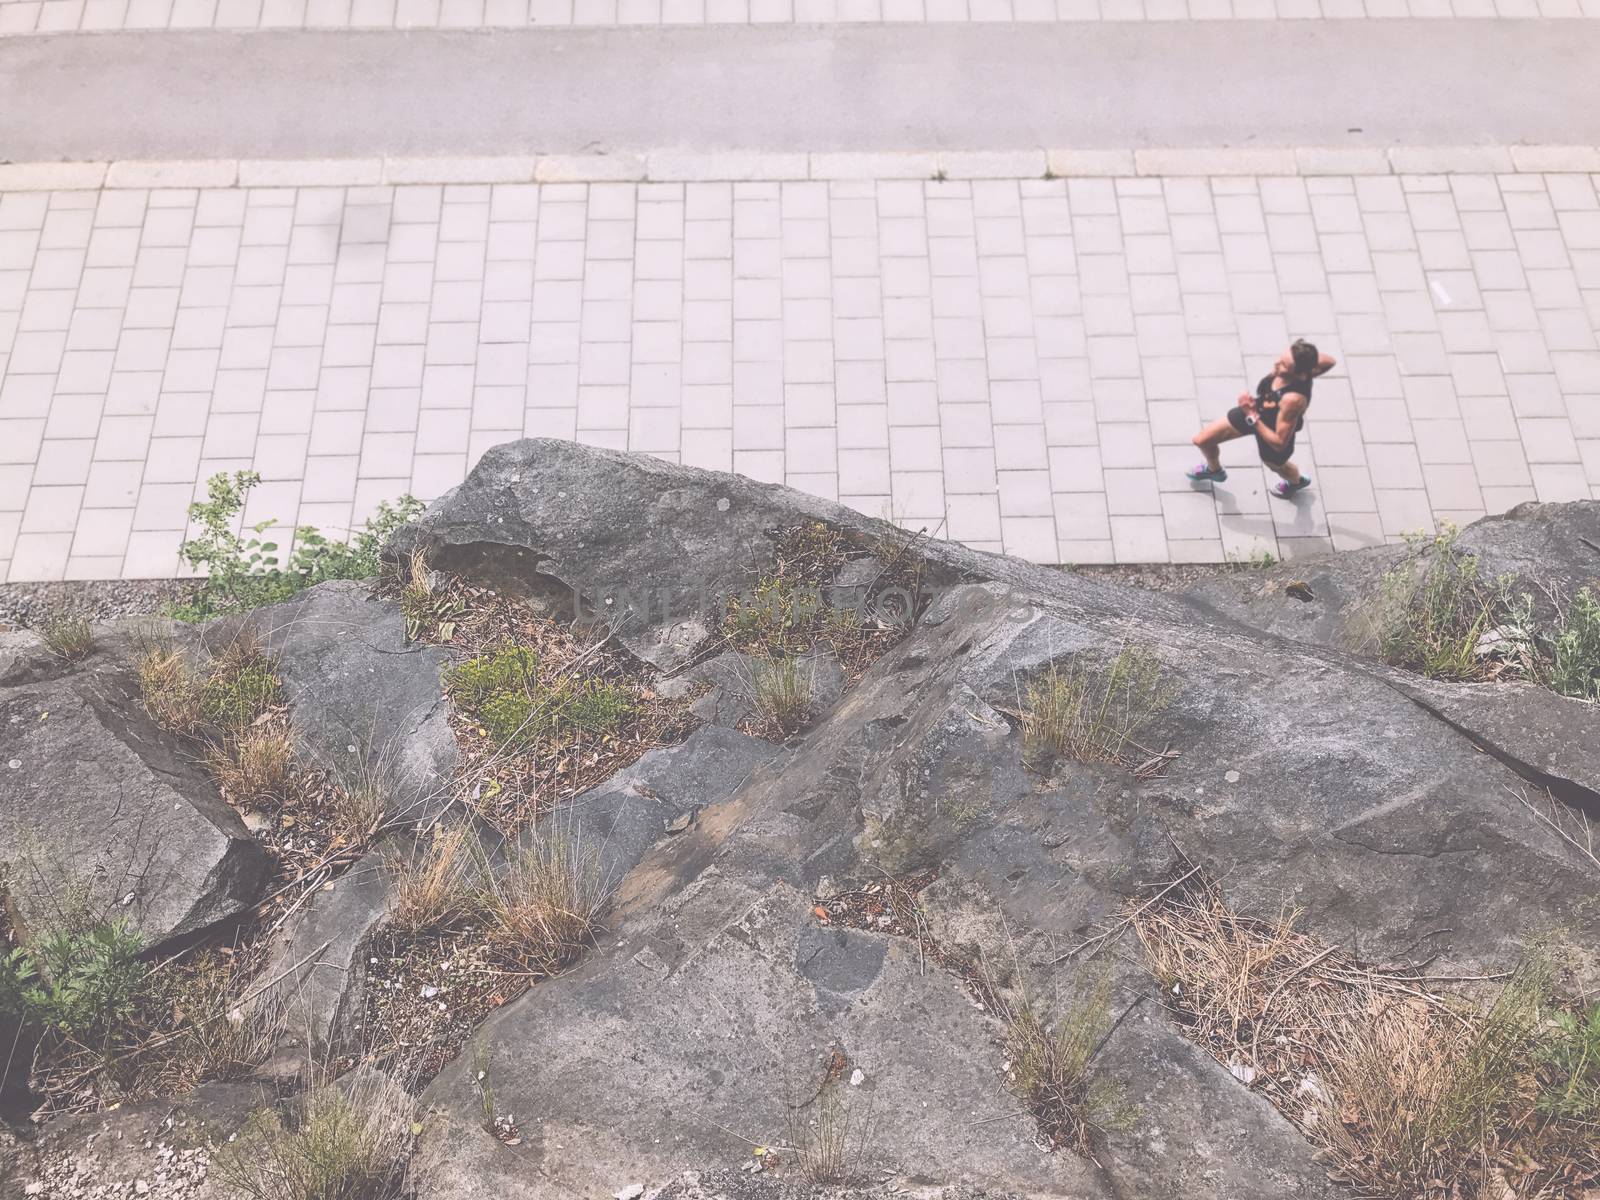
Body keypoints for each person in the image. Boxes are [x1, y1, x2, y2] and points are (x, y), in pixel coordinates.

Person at [1186, 340, 1336, 498]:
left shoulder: (1293, 400)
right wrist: (1306, 356)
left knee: (1279, 467)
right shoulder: (1303, 370)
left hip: (1270, 430)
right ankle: (1214, 471)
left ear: (1300, 374)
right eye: (1281, 358)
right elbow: (1329, 361)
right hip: (1256, 410)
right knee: (1202, 440)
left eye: (1284, 365)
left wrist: (1251, 415)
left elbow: (1279, 443)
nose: (1277, 364)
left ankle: (1296, 482)